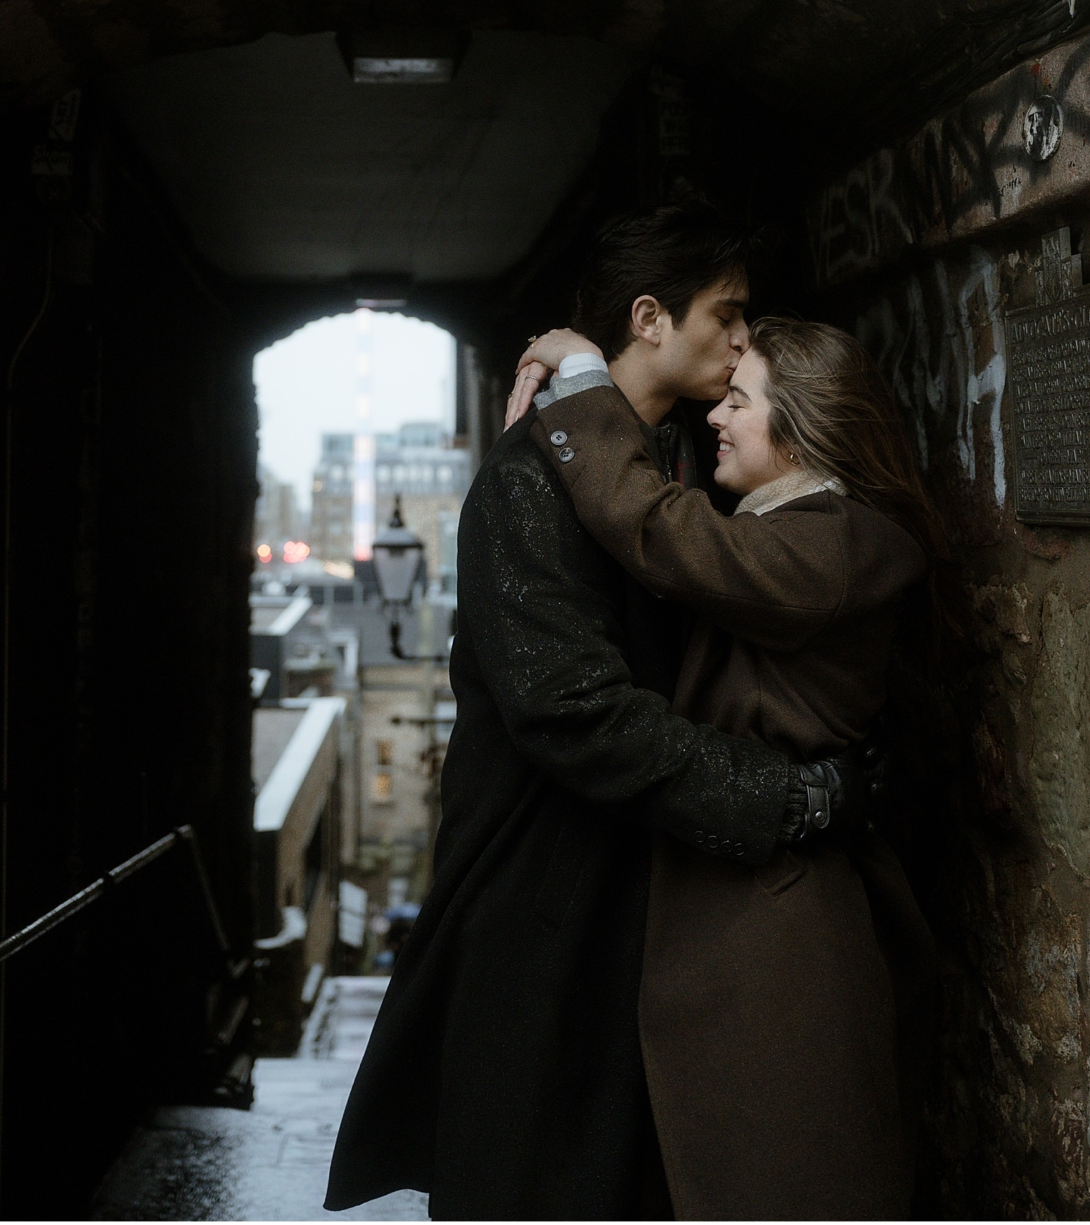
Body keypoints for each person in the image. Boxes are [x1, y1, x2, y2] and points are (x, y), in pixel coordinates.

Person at [326, 203, 880, 1223]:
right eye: (729, 313)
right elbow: (575, 712)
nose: (745, 339)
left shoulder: (675, 471)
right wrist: (787, 796)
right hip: (547, 918)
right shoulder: (529, 485)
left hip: (645, 910)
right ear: (650, 318)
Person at [512, 313, 942, 1221]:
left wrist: (586, 376)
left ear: (807, 429)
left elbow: (662, 533)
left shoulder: (831, 546)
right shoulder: (795, 530)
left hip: (782, 956)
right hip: (751, 927)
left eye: (740, 402)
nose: (716, 417)